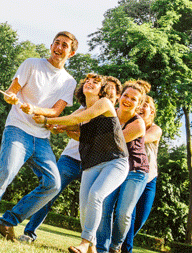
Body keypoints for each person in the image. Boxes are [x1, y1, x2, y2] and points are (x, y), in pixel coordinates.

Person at [0, 32, 78, 240]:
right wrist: (10, 96)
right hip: (17, 129)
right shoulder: (31, 64)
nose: (58, 47)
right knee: (5, 172)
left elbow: (56, 112)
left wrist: (37, 109)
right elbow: (10, 92)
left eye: (64, 45)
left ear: (71, 53)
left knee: (53, 184)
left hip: (41, 139)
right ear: (51, 45)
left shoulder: (69, 81)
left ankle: (7, 221)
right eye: (56, 43)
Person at [38, 75, 127, 253]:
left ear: (102, 90)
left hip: (115, 161)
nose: (89, 83)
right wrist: (51, 124)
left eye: (95, 82)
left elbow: (73, 120)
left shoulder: (104, 104)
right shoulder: (81, 111)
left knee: (96, 195)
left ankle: (85, 243)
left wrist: (49, 121)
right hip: (91, 163)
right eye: (87, 81)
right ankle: (92, 248)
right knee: (84, 207)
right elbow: (68, 122)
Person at [19, 77, 94, 243]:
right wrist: (52, 124)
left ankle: (95, 244)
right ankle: (29, 232)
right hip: (70, 159)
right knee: (50, 191)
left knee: (96, 202)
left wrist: (75, 131)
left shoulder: (108, 111)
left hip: (93, 163)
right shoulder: (82, 109)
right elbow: (64, 124)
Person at [96, 81, 149, 252]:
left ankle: (115, 246)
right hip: (114, 166)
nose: (127, 100)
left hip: (135, 170)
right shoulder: (109, 113)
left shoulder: (138, 123)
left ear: (139, 105)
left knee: (123, 213)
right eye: (125, 95)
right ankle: (101, 248)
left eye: (133, 99)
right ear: (120, 96)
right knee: (104, 206)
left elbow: (113, 142)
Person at [122, 95, 162, 253]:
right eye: (140, 104)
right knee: (128, 215)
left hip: (149, 179)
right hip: (131, 175)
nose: (141, 107)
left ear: (152, 111)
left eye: (145, 105)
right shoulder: (128, 125)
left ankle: (117, 242)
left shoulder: (155, 128)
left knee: (139, 220)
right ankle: (124, 249)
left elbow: (144, 138)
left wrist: (132, 130)